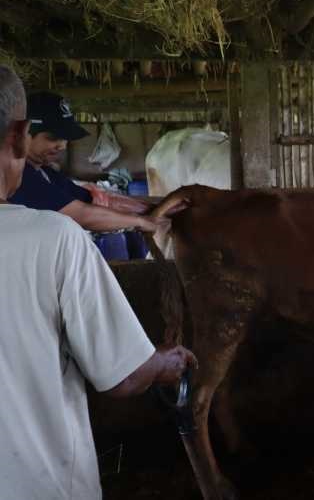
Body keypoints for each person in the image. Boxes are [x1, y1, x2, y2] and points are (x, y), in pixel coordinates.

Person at [0, 65, 197, 499]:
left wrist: (147, 209)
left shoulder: (47, 186)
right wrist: (165, 363)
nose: (59, 147)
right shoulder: (53, 238)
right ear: (18, 135)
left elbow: (92, 197)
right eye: (52, 137)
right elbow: (123, 377)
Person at [10, 91, 160, 233]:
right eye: (52, 137)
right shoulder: (19, 175)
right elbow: (82, 214)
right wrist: (140, 221)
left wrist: (154, 209)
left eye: (65, 138)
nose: (62, 145)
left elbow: (92, 200)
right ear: (24, 132)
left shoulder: (45, 173)